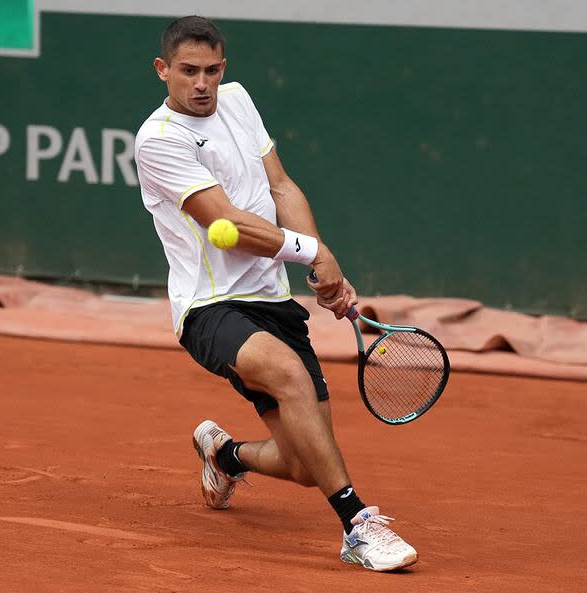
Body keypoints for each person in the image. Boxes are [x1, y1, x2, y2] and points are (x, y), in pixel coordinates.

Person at [134, 15, 417, 572]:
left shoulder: (237, 101)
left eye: (212, 70)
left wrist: (323, 260)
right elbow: (228, 222)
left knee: (307, 463)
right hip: (210, 308)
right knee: (288, 375)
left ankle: (224, 454)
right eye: (188, 71)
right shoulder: (158, 140)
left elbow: (281, 186)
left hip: (271, 299)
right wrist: (311, 254)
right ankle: (358, 527)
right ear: (162, 70)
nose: (202, 84)